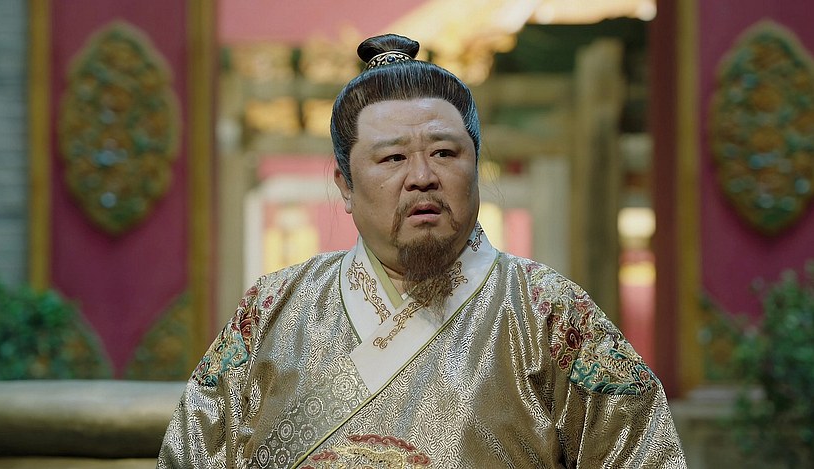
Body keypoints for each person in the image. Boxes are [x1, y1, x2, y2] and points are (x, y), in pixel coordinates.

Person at [158, 34, 686, 468]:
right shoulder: (273, 310)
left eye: (444, 152)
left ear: (476, 164)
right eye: (392, 159)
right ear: (345, 185)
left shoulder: (550, 315)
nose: (422, 177)